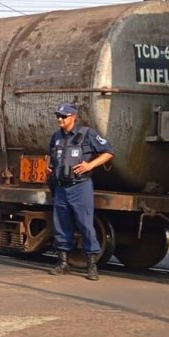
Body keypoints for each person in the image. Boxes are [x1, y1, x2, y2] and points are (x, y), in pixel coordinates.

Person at [46, 102, 114, 280]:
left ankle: (91, 265)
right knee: (61, 225)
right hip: (61, 187)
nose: (60, 119)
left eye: (63, 116)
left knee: (85, 224)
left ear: (73, 117)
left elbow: (108, 152)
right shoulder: (56, 137)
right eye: (58, 116)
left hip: (80, 186)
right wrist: (50, 168)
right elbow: (51, 157)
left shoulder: (87, 134)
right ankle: (62, 263)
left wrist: (90, 165)